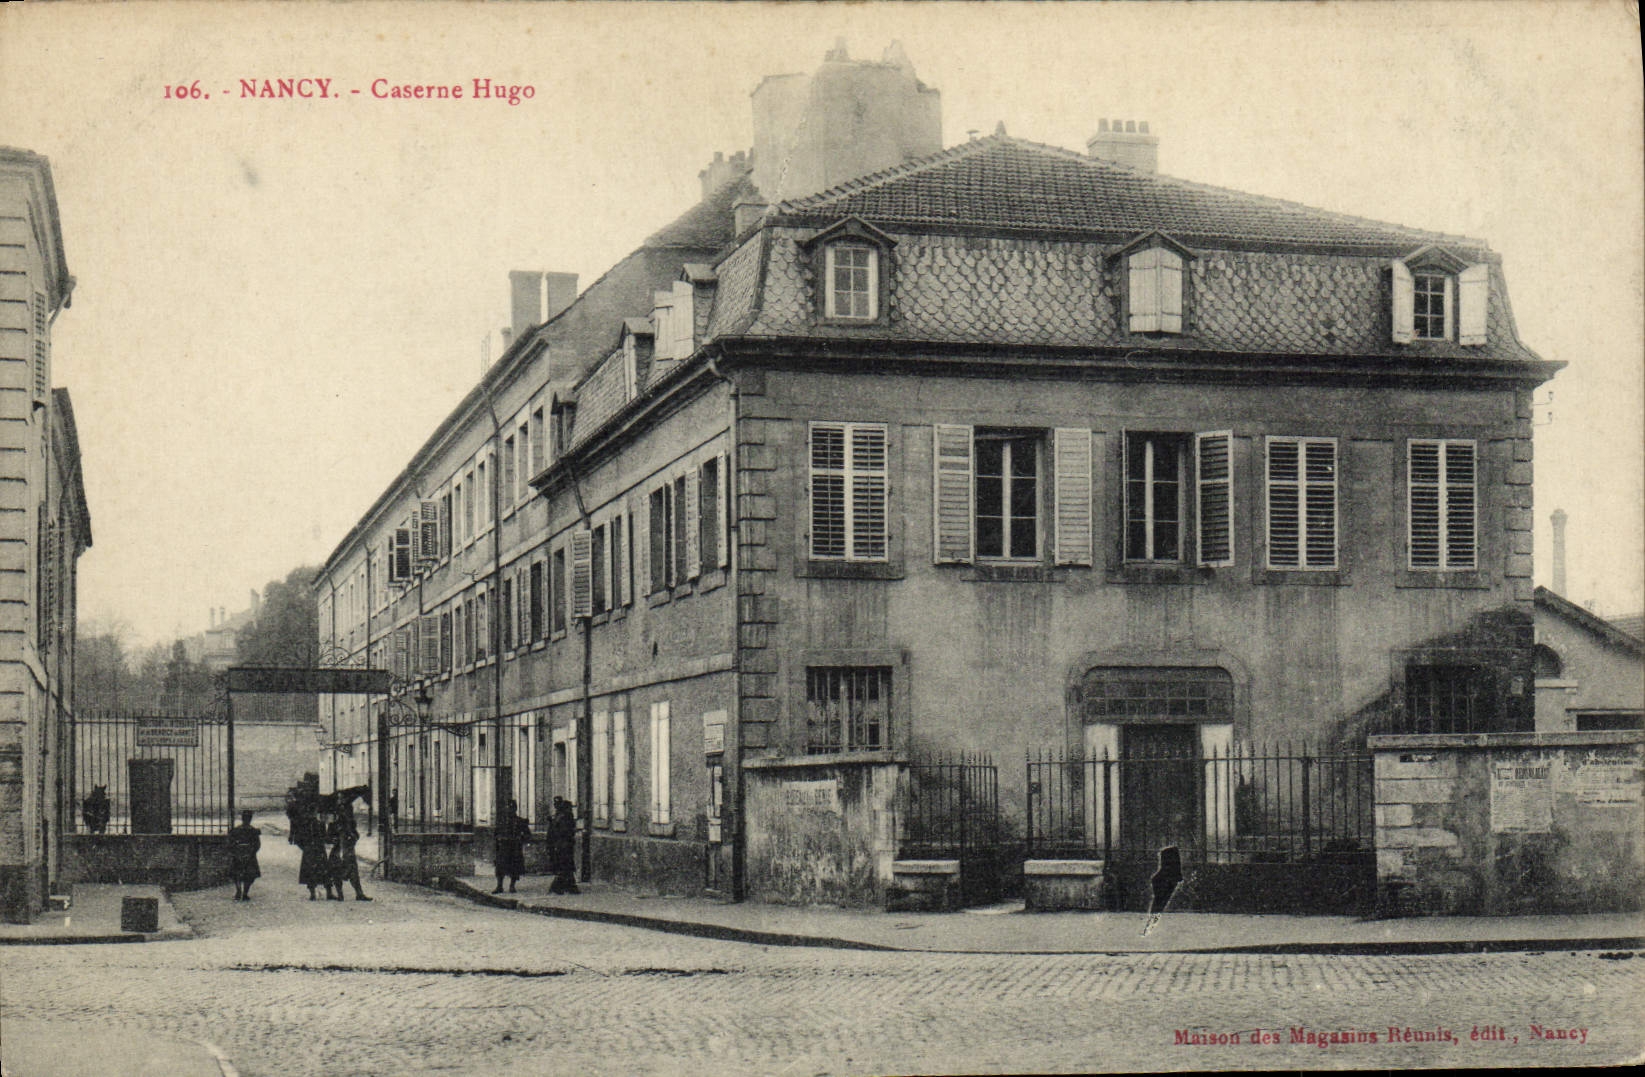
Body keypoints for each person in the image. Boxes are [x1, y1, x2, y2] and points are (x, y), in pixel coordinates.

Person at [327, 801, 371, 901]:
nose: (344, 813)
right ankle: (340, 894)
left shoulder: (351, 824)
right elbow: (328, 838)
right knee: (336, 872)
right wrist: (334, 839)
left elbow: (357, 835)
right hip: (337, 852)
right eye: (341, 811)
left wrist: (353, 837)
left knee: (353, 872)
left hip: (349, 851)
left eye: (346, 811)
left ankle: (359, 894)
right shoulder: (333, 825)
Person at [492, 799, 529, 894]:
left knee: (515, 867)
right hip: (503, 847)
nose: (510, 810)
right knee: (500, 867)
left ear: (515, 809)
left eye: (512, 808)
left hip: (514, 847)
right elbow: (496, 834)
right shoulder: (501, 821)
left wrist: (520, 839)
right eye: (508, 808)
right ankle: (499, 886)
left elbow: (527, 834)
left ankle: (512, 886)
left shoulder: (520, 821)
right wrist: (498, 841)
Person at [547, 797, 579, 895]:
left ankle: (566, 887)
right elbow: (561, 831)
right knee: (565, 867)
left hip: (562, 845)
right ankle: (560, 887)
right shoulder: (563, 817)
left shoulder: (560, 816)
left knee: (565, 867)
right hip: (563, 845)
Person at [228, 810, 261, 901]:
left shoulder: (236, 830)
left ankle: (239, 891)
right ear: (250, 819)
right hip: (250, 856)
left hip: (238, 855)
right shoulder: (254, 831)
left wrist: (235, 852)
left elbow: (230, 843)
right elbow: (257, 844)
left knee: (236, 874)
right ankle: (245, 893)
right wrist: (251, 852)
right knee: (250, 875)